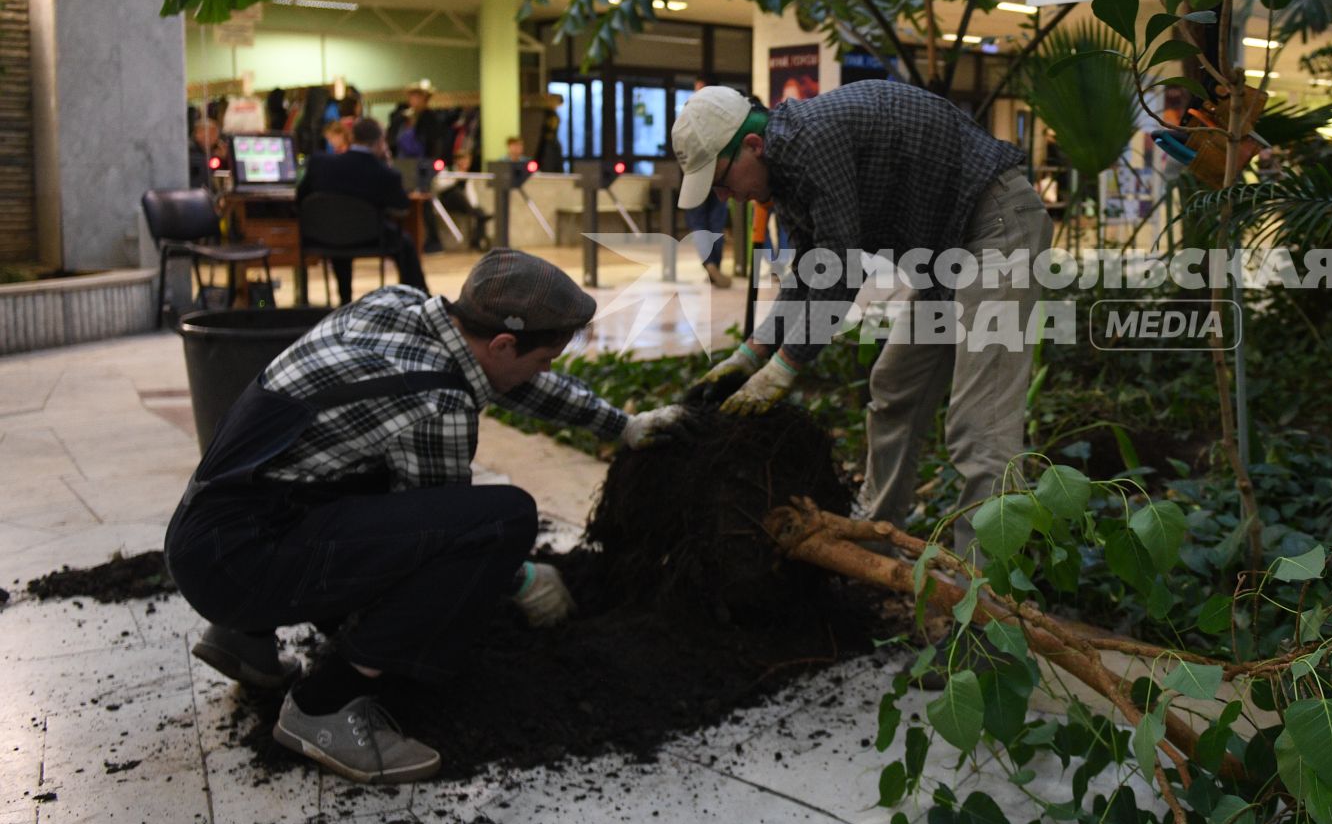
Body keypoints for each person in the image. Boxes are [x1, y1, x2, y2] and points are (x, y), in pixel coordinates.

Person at [164, 249, 692, 783]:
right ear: (504, 343)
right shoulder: (437, 402)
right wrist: (522, 577)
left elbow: (514, 380)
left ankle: (244, 636)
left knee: (362, 472)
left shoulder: (401, 306)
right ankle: (323, 704)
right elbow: (443, 539)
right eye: (544, 357)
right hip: (237, 561)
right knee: (501, 520)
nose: (546, 369)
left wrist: (621, 425)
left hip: (209, 529)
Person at [674, 79, 1052, 552]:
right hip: (945, 252)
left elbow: (841, 268)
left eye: (722, 181)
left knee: (981, 426)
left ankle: (985, 597)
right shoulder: (785, 170)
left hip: (997, 229)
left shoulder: (811, 141)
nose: (726, 196)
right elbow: (809, 269)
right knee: (895, 387)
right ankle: (875, 536)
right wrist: (753, 354)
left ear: (752, 145)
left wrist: (788, 364)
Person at [297, 116, 429, 300]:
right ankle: (419, 298)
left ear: (352, 137)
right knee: (405, 242)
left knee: (339, 228)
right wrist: (387, 163)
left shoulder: (320, 164)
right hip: (370, 237)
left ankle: (344, 299)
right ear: (380, 142)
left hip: (324, 237)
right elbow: (402, 206)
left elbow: (301, 196)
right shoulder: (385, 174)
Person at [679, 80, 733, 289]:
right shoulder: (721, 118)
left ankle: (710, 264)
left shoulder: (687, 117)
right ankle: (715, 266)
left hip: (695, 178)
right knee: (715, 223)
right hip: (719, 176)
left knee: (698, 224)